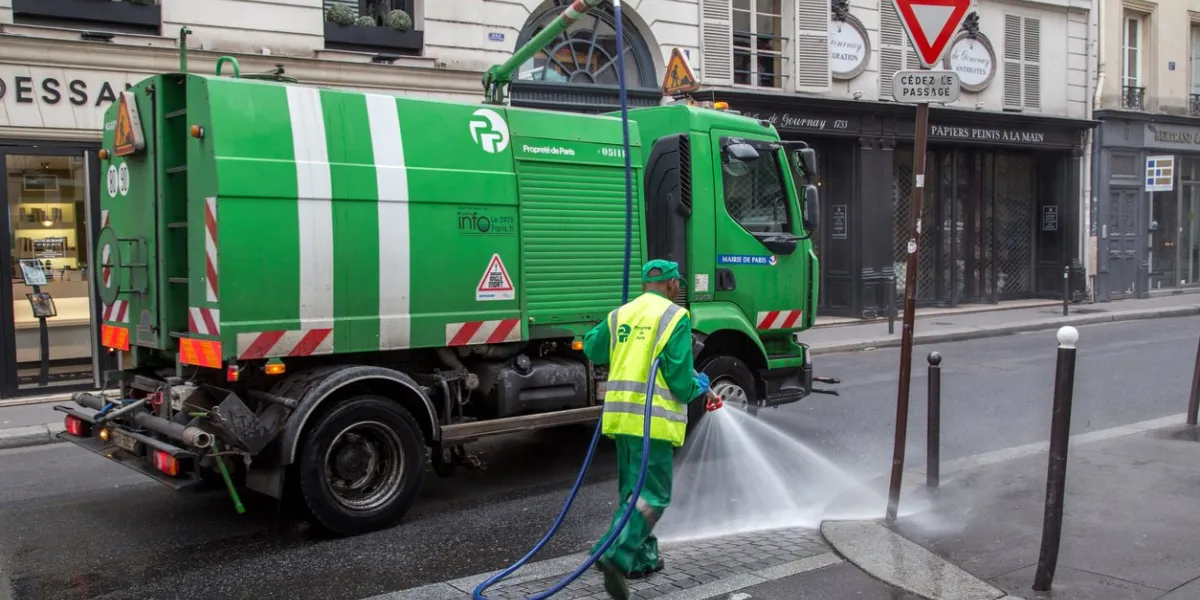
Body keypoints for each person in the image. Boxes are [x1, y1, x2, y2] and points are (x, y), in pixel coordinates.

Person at [581, 258, 720, 600]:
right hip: (653, 421)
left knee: (632, 493)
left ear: (646, 284)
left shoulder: (621, 314)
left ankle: (643, 558)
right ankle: (615, 553)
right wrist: (699, 387)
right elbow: (677, 378)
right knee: (654, 497)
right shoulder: (676, 317)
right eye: (679, 286)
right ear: (673, 285)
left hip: (622, 420)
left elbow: (592, 347)